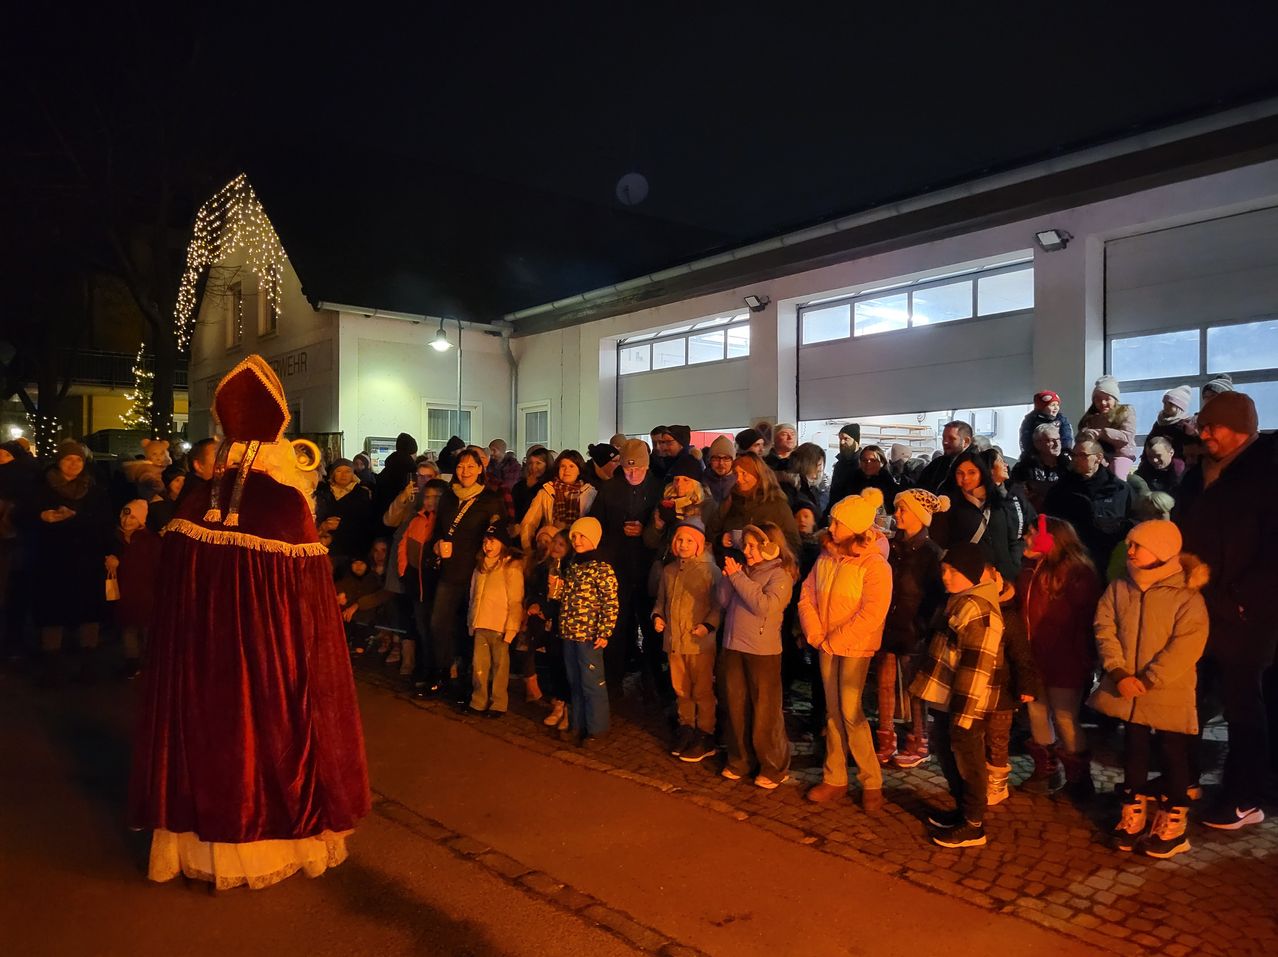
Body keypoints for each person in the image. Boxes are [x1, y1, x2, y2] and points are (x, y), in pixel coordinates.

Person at [130, 355, 368, 889]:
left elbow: (171, 594)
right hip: (267, 659)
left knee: (207, 740)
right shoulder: (286, 505)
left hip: (199, 660)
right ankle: (268, 844)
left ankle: (199, 847)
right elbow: (311, 605)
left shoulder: (194, 502)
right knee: (267, 739)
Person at [1173, 391, 1277, 831]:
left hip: (1247, 614)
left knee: (1243, 706)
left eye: (1212, 426)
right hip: (1200, 604)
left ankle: (1246, 795)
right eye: (1203, 426)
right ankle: (1185, 777)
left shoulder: (1267, 472)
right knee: (1191, 694)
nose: (1204, 434)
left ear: (1240, 428)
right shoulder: (1200, 474)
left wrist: (1241, 596)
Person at [1091, 520, 1209, 858]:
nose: (1129, 551)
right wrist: (1117, 671)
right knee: (1134, 748)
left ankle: (1174, 823)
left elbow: (1187, 646)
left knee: (1173, 752)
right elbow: (1104, 626)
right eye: (1130, 544)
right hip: (1126, 687)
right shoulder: (1120, 586)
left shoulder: (1186, 595)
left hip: (1167, 689)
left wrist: (1148, 679)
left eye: (1137, 545)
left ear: (1160, 550)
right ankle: (1133, 814)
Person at [910, 542, 1012, 849]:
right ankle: (962, 811)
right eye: (944, 570)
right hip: (948, 699)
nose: (946, 576)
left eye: (953, 571)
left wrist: (963, 714)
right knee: (947, 752)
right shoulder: (960, 601)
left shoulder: (979, 611)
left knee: (969, 761)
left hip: (965, 705)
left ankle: (973, 824)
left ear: (970, 573)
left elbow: (976, 668)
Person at [799, 489, 892, 811]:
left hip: (855, 646)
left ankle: (871, 781)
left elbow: (872, 613)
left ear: (855, 527)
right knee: (833, 711)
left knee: (851, 713)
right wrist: (815, 632)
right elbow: (808, 593)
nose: (832, 526)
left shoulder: (875, 565)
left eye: (838, 522)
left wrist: (835, 639)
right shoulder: (826, 556)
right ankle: (834, 777)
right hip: (826, 643)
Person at [1017, 515, 1103, 796]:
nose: (1026, 538)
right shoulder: (1031, 569)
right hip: (1035, 657)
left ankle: (1079, 781)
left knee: (1066, 717)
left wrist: (1083, 660)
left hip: (1065, 659)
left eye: (1032, 533)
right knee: (1037, 712)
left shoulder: (1076, 573)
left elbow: (1085, 622)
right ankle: (1046, 771)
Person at [718, 522, 795, 790]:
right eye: (746, 545)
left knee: (765, 710)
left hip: (763, 651)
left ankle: (773, 766)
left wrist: (738, 578)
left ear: (770, 547)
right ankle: (740, 759)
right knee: (736, 706)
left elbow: (765, 607)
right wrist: (729, 578)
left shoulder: (780, 576)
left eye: (753, 546)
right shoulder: (744, 571)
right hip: (734, 645)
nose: (747, 551)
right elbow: (723, 601)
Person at [426, 448, 507, 700]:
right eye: (461, 466)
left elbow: (499, 535)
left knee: (469, 628)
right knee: (439, 623)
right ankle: (443, 672)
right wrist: (437, 545)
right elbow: (438, 530)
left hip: (477, 573)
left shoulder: (490, 500)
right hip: (449, 572)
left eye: (471, 466)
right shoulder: (448, 497)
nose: (465, 471)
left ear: (481, 469)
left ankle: (469, 683)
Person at [31, 439, 111, 684]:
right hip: (52, 559)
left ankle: (88, 665)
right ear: (59, 461)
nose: (74, 464)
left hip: (86, 559)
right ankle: (52, 665)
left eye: (78, 460)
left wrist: (77, 517)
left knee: (87, 611)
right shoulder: (42, 487)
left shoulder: (94, 489)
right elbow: (26, 516)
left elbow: (103, 522)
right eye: (68, 459)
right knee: (53, 611)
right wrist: (43, 516)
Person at [882, 489, 948, 770]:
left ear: (919, 516)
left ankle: (919, 740)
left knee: (914, 687)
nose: (897, 514)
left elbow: (935, 596)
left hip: (913, 629)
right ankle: (886, 737)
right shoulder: (892, 546)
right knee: (885, 685)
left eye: (903, 510)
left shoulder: (931, 553)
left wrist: (922, 626)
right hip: (889, 625)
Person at [591, 439, 662, 699]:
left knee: (651, 626)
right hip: (617, 567)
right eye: (627, 469)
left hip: (646, 568)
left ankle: (652, 680)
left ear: (647, 467)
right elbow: (596, 525)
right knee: (616, 627)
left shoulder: (658, 489)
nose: (632, 474)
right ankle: (613, 682)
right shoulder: (609, 489)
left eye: (638, 469)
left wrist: (647, 531)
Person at [652, 517, 722, 763]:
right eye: (680, 539)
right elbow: (661, 600)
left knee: (702, 689)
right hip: (675, 641)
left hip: (699, 642)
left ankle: (705, 732)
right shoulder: (669, 571)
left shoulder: (710, 571)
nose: (683, 544)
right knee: (681, 688)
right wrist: (658, 616)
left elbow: (718, 605)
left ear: (699, 544)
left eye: (689, 541)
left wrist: (707, 626)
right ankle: (687, 726)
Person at [559, 517, 619, 748]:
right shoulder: (573, 565)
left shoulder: (602, 568)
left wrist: (604, 631)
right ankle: (578, 724)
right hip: (570, 633)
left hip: (589, 635)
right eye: (574, 536)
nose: (576, 541)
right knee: (575, 681)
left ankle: (597, 728)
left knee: (592, 682)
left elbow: (610, 602)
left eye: (582, 536)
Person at [933, 449, 1031, 584]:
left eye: (971, 472)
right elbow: (941, 544)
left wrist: (1013, 567)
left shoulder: (997, 500)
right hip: (972, 580)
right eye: (960, 473)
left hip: (1006, 577)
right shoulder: (949, 505)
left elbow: (1012, 538)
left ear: (982, 473)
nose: (965, 478)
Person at [1043, 438, 1132, 573]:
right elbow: (1049, 522)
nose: (1075, 459)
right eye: (1074, 455)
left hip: (1109, 559)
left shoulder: (1119, 489)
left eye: (1082, 455)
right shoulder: (1061, 489)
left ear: (1098, 458)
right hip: (1072, 560)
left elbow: (1131, 520)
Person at [465, 525, 524, 717]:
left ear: (502, 543)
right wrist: (471, 622)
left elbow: (515, 600)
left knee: (500, 667)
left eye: (492, 541)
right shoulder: (480, 567)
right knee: (479, 666)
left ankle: (498, 703)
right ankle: (478, 700)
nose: (487, 546)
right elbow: (473, 596)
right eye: (485, 541)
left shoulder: (511, 568)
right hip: (481, 624)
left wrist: (512, 628)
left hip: (500, 626)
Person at [709, 452, 801, 560]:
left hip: (764, 567)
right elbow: (711, 531)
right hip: (731, 566)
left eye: (744, 473)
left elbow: (793, 544)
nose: (738, 479)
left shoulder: (776, 505)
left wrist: (768, 550)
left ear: (758, 475)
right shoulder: (731, 501)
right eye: (736, 473)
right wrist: (721, 539)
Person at [108, 499, 161, 679]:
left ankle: (150, 664)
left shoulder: (151, 542)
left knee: (147, 629)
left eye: (132, 518)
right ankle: (132, 663)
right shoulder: (116, 539)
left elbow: (158, 567)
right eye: (124, 516)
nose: (127, 521)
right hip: (124, 592)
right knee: (128, 629)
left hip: (146, 592)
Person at [526, 528, 571, 732]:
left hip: (562, 623)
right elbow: (535, 591)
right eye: (554, 542)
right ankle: (558, 703)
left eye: (561, 544)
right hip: (546, 624)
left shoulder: (569, 570)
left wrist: (547, 609)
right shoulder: (543, 568)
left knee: (564, 663)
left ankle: (567, 707)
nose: (555, 547)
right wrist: (535, 604)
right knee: (553, 662)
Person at [519, 449, 597, 553]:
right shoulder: (546, 492)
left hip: (579, 549)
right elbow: (529, 523)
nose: (567, 470)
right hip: (552, 548)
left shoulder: (589, 493)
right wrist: (528, 548)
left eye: (571, 466)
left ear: (579, 470)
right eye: (563, 466)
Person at [1077, 375, 1138, 480]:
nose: (1103, 403)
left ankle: (1120, 489)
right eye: (1098, 400)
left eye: (1107, 399)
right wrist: (1085, 434)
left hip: (1120, 455)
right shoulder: (1091, 418)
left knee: (1117, 476)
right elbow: (1080, 437)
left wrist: (1101, 433)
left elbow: (1126, 437)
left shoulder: (1125, 412)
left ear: (1115, 399)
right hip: (1100, 455)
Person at [315, 457, 376, 561]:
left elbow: (366, 523)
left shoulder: (362, 494)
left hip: (352, 550)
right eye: (339, 471)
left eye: (348, 471)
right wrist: (323, 526)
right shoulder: (322, 492)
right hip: (326, 549)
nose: (343, 475)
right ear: (333, 474)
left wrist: (342, 525)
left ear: (353, 474)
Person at [1010, 423, 1069, 512]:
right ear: (1037, 444)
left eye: (1058, 439)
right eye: (1051, 440)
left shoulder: (1067, 465)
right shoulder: (1024, 468)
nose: (1057, 444)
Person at [374, 432, 419, 530]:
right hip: (400, 523)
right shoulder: (411, 471)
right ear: (413, 452)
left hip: (379, 519)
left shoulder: (387, 469)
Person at [916, 421, 973, 493]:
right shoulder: (937, 464)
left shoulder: (976, 466)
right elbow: (919, 488)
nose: (945, 442)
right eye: (944, 438)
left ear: (966, 441)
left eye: (951, 438)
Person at [1146, 385, 1197, 463]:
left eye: (1170, 404)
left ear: (1179, 407)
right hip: (1155, 461)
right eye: (1165, 403)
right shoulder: (1159, 423)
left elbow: (1188, 448)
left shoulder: (1184, 425)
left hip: (1177, 463)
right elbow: (1149, 442)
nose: (1166, 406)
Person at [1018, 390, 1075, 458]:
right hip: (1037, 454)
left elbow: (1066, 435)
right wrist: (1030, 453)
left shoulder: (1061, 419)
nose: (1056, 408)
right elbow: (1025, 438)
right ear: (1041, 407)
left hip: (1058, 454)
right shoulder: (1031, 420)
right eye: (1052, 405)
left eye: (1057, 405)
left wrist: (1065, 450)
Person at [826, 424, 862, 511]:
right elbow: (833, 496)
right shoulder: (839, 465)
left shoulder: (864, 464)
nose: (842, 442)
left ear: (856, 441)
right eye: (840, 439)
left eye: (846, 439)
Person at [512, 446, 553, 523]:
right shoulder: (519, 486)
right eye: (530, 463)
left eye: (538, 463)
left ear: (547, 465)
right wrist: (527, 488)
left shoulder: (550, 486)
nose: (533, 467)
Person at [145, 465, 186, 534]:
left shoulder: (186, 500)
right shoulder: (159, 506)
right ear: (168, 484)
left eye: (184, 480)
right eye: (177, 480)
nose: (182, 484)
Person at [704, 435, 737, 503]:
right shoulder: (702, 480)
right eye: (716, 458)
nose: (721, 463)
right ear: (710, 460)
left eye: (726, 458)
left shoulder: (739, 482)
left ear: (732, 461)